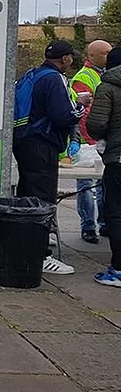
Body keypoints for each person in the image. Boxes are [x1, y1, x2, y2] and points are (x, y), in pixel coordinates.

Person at [13, 40, 87, 275]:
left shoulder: (34, 74)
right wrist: (80, 105)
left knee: (27, 196)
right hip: (41, 143)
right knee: (41, 199)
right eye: (70, 58)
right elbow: (63, 116)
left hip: (25, 140)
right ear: (65, 59)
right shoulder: (55, 79)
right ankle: (39, 255)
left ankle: (25, 245)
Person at [70, 40, 112, 243]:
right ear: (92, 56)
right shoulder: (84, 77)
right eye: (105, 53)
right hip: (87, 139)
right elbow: (82, 112)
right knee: (85, 183)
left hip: (101, 138)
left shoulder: (104, 75)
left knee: (104, 183)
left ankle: (104, 224)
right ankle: (88, 226)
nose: (108, 56)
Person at [86, 46, 121, 287]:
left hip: (118, 158)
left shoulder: (108, 87)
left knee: (116, 212)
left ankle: (118, 269)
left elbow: (96, 125)